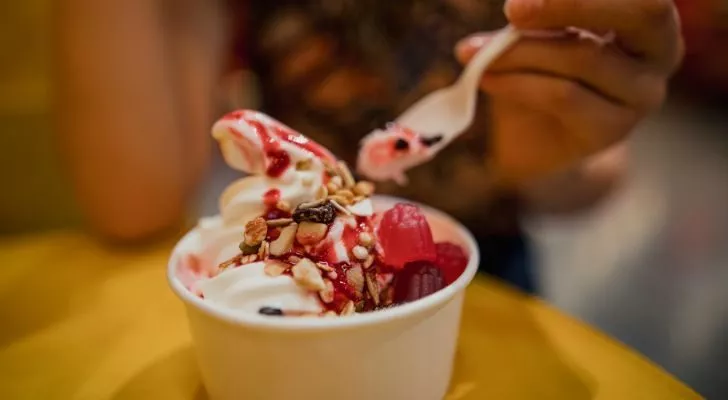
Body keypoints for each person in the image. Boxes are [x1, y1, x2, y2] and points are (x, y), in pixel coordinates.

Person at [56, 0, 682, 291]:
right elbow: (130, 200)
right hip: (295, 276)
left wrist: (548, 158)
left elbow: (595, 180)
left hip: (487, 270)